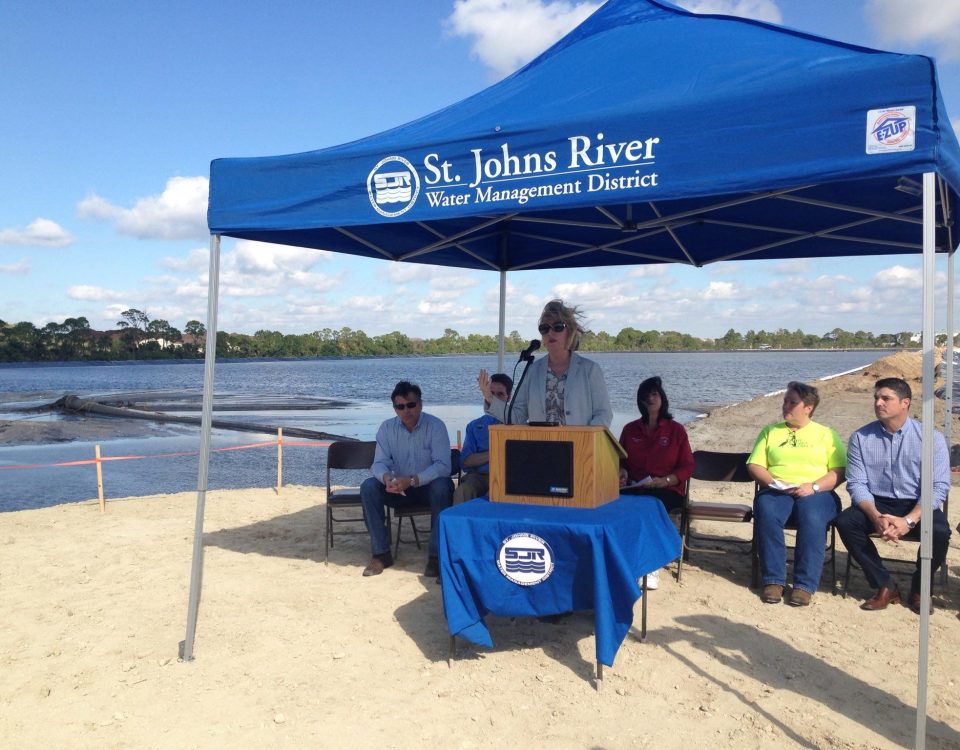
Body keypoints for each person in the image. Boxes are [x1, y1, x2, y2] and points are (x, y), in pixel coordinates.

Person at [834, 377, 951, 613]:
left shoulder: (931, 438)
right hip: (877, 502)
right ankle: (885, 585)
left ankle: (920, 588)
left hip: (917, 503)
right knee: (845, 522)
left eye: (885, 398)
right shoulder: (861, 437)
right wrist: (876, 516)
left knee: (940, 532)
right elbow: (856, 483)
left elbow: (938, 487)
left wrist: (909, 520)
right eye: (876, 398)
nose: (878, 403)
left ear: (905, 403)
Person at [747, 381, 846, 607]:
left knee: (811, 516)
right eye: (785, 401)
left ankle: (804, 585)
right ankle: (773, 580)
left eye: (792, 402)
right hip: (777, 489)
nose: (786, 406)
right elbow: (755, 465)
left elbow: (839, 471)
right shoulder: (770, 432)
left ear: (808, 407)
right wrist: (772, 483)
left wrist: (814, 487)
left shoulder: (826, 434)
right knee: (767, 510)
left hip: (817, 492)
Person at [359, 380, 454, 579]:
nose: (406, 411)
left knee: (443, 486)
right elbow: (379, 463)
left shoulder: (435, 426)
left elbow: (444, 466)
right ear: (394, 408)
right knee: (369, 487)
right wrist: (386, 478)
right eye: (400, 406)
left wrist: (412, 480)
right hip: (397, 489)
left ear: (420, 404)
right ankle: (381, 554)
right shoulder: (386, 428)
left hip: (426, 487)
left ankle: (436, 557)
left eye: (411, 405)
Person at [477, 299, 612, 427]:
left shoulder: (590, 370)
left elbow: (603, 415)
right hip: (540, 449)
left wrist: (584, 442)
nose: (550, 333)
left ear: (569, 331)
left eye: (558, 327)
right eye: (544, 328)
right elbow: (517, 418)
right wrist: (489, 397)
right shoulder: (532, 370)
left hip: (581, 450)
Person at [618, 376, 694, 514]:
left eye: (654, 394)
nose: (650, 399)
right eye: (646, 396)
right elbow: (619, 461)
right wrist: (622, 471)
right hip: (635, 487)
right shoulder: (629, 429)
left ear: (662, 398)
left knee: (646, 506)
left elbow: (688, 466)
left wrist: (666, 480)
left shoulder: (676, 430)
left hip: (667, 490)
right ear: (640, 401)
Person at [454, 373, 513, 504]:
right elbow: (465, 462)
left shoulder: (517, 424)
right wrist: (496, 453)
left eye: (500, 394)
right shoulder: (474, 426)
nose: (494, 399)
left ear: (508, 397)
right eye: (491, 394)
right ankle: (460, 524)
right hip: (479, 476)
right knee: (463, 491)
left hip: (508, 477)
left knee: (495, 493)